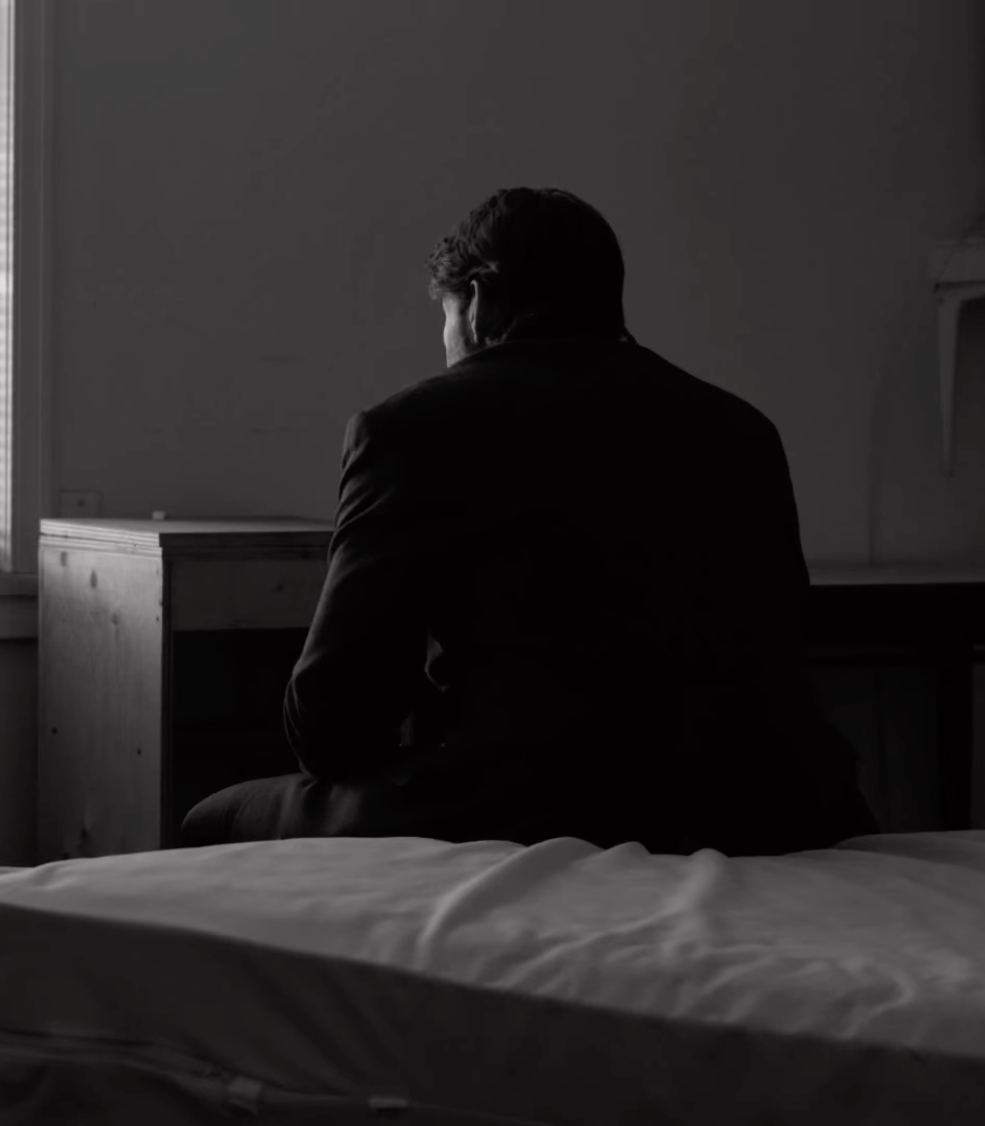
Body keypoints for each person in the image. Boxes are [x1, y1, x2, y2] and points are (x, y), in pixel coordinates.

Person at [181, 186, 879, 856]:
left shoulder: (412, 429)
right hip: (763, 806)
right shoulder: (741, 429)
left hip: (531, 808)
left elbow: (334, 723)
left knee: (212, 817)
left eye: (447, 320)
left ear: (477, 303)